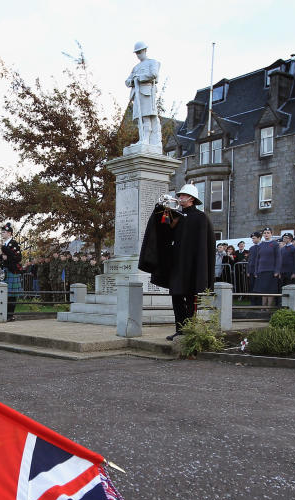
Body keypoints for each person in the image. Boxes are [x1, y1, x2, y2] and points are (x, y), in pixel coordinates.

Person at [138, 183, 215, 341]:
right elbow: (163, 232)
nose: (180, 198)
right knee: (177, 297)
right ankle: (180, 330)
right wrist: (159, 210)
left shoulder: (202, 218)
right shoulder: (176, 217)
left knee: (191, 300)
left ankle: (190, 329)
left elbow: (206, 247)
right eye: (179, 195)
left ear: (192, 199)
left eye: (183, 196)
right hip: (177, 265)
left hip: (193, 266)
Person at [125, 42, 162, 148]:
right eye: (137, 53)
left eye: (140, 52)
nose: (138, 55)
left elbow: (154, 74)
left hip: (147, 92)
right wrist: (132, 80)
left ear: (145, 50)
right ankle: (142, 138)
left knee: (146, 117)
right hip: (137, 94)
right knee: (139, 118)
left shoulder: (152, 62)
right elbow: (127, 81)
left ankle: (146, 140)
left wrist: (139, 77)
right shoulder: (135, 67)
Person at [250, 227, 281, 306]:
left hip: (271, 270)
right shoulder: (261, 244)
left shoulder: (275, 244)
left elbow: (278, 258)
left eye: (268, 233)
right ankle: (263, 306)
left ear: (271, 234)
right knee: (263, 289)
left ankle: (268, 307)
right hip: (261, 270)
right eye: (265, 233)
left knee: (270, 290)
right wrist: (256, 271)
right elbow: (257, 259)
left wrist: (277, 270)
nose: (266, 234)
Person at [1, 223, 23, 319]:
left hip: (12, 271)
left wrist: (7, 257)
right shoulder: (4, 244)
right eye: (2, 232)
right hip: (5, 271)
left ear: (9, 233)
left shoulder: (14, 243)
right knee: (5, 293)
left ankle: (10, 315)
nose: (2, 233)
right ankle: (6, 314)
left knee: (12, 294)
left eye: (4, 232)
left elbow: (18, 258)